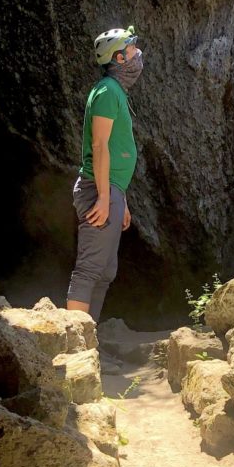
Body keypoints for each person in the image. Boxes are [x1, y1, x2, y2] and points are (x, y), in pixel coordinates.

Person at [65, 24, 143, 323]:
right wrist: (103, 197)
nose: (138, 53)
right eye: (133, 48)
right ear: (120, 58)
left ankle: (88, 338)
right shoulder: (107, 92)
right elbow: (99, 145)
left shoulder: (115, 92)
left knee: (105, 271)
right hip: (99, 190)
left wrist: (120, 200)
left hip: (111, 190)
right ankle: (74, 344)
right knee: (89, 269)